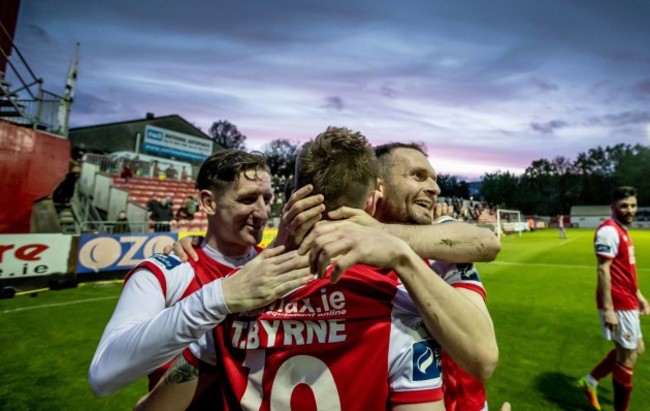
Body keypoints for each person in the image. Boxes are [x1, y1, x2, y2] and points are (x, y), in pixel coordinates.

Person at [163, 141, 500, 410]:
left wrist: (385, 237)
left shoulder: (444, 246)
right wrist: (201, 248)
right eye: (418, 176)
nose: (435, 187)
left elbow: (487, 243)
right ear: (376, 190)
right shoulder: (387, 309)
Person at [89, 150, 321, 398]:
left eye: (267, 198)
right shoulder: (168, 271)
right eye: (248, 199)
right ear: (209, 202)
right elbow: (103, 375)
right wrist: (220, 297)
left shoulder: (276, 264)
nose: (263, 213)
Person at [579, 186, 649, 411]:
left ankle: (590, 381)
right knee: (627, 357)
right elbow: (603, 269)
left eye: (633, 205)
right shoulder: (608, 231)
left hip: (628, 299)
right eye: (624, 206)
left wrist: (639, 296)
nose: (630, 210)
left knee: (635, 348)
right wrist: (609, 309)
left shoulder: (622, 230)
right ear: (613, 207)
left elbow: (625, 270)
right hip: (618, 303)